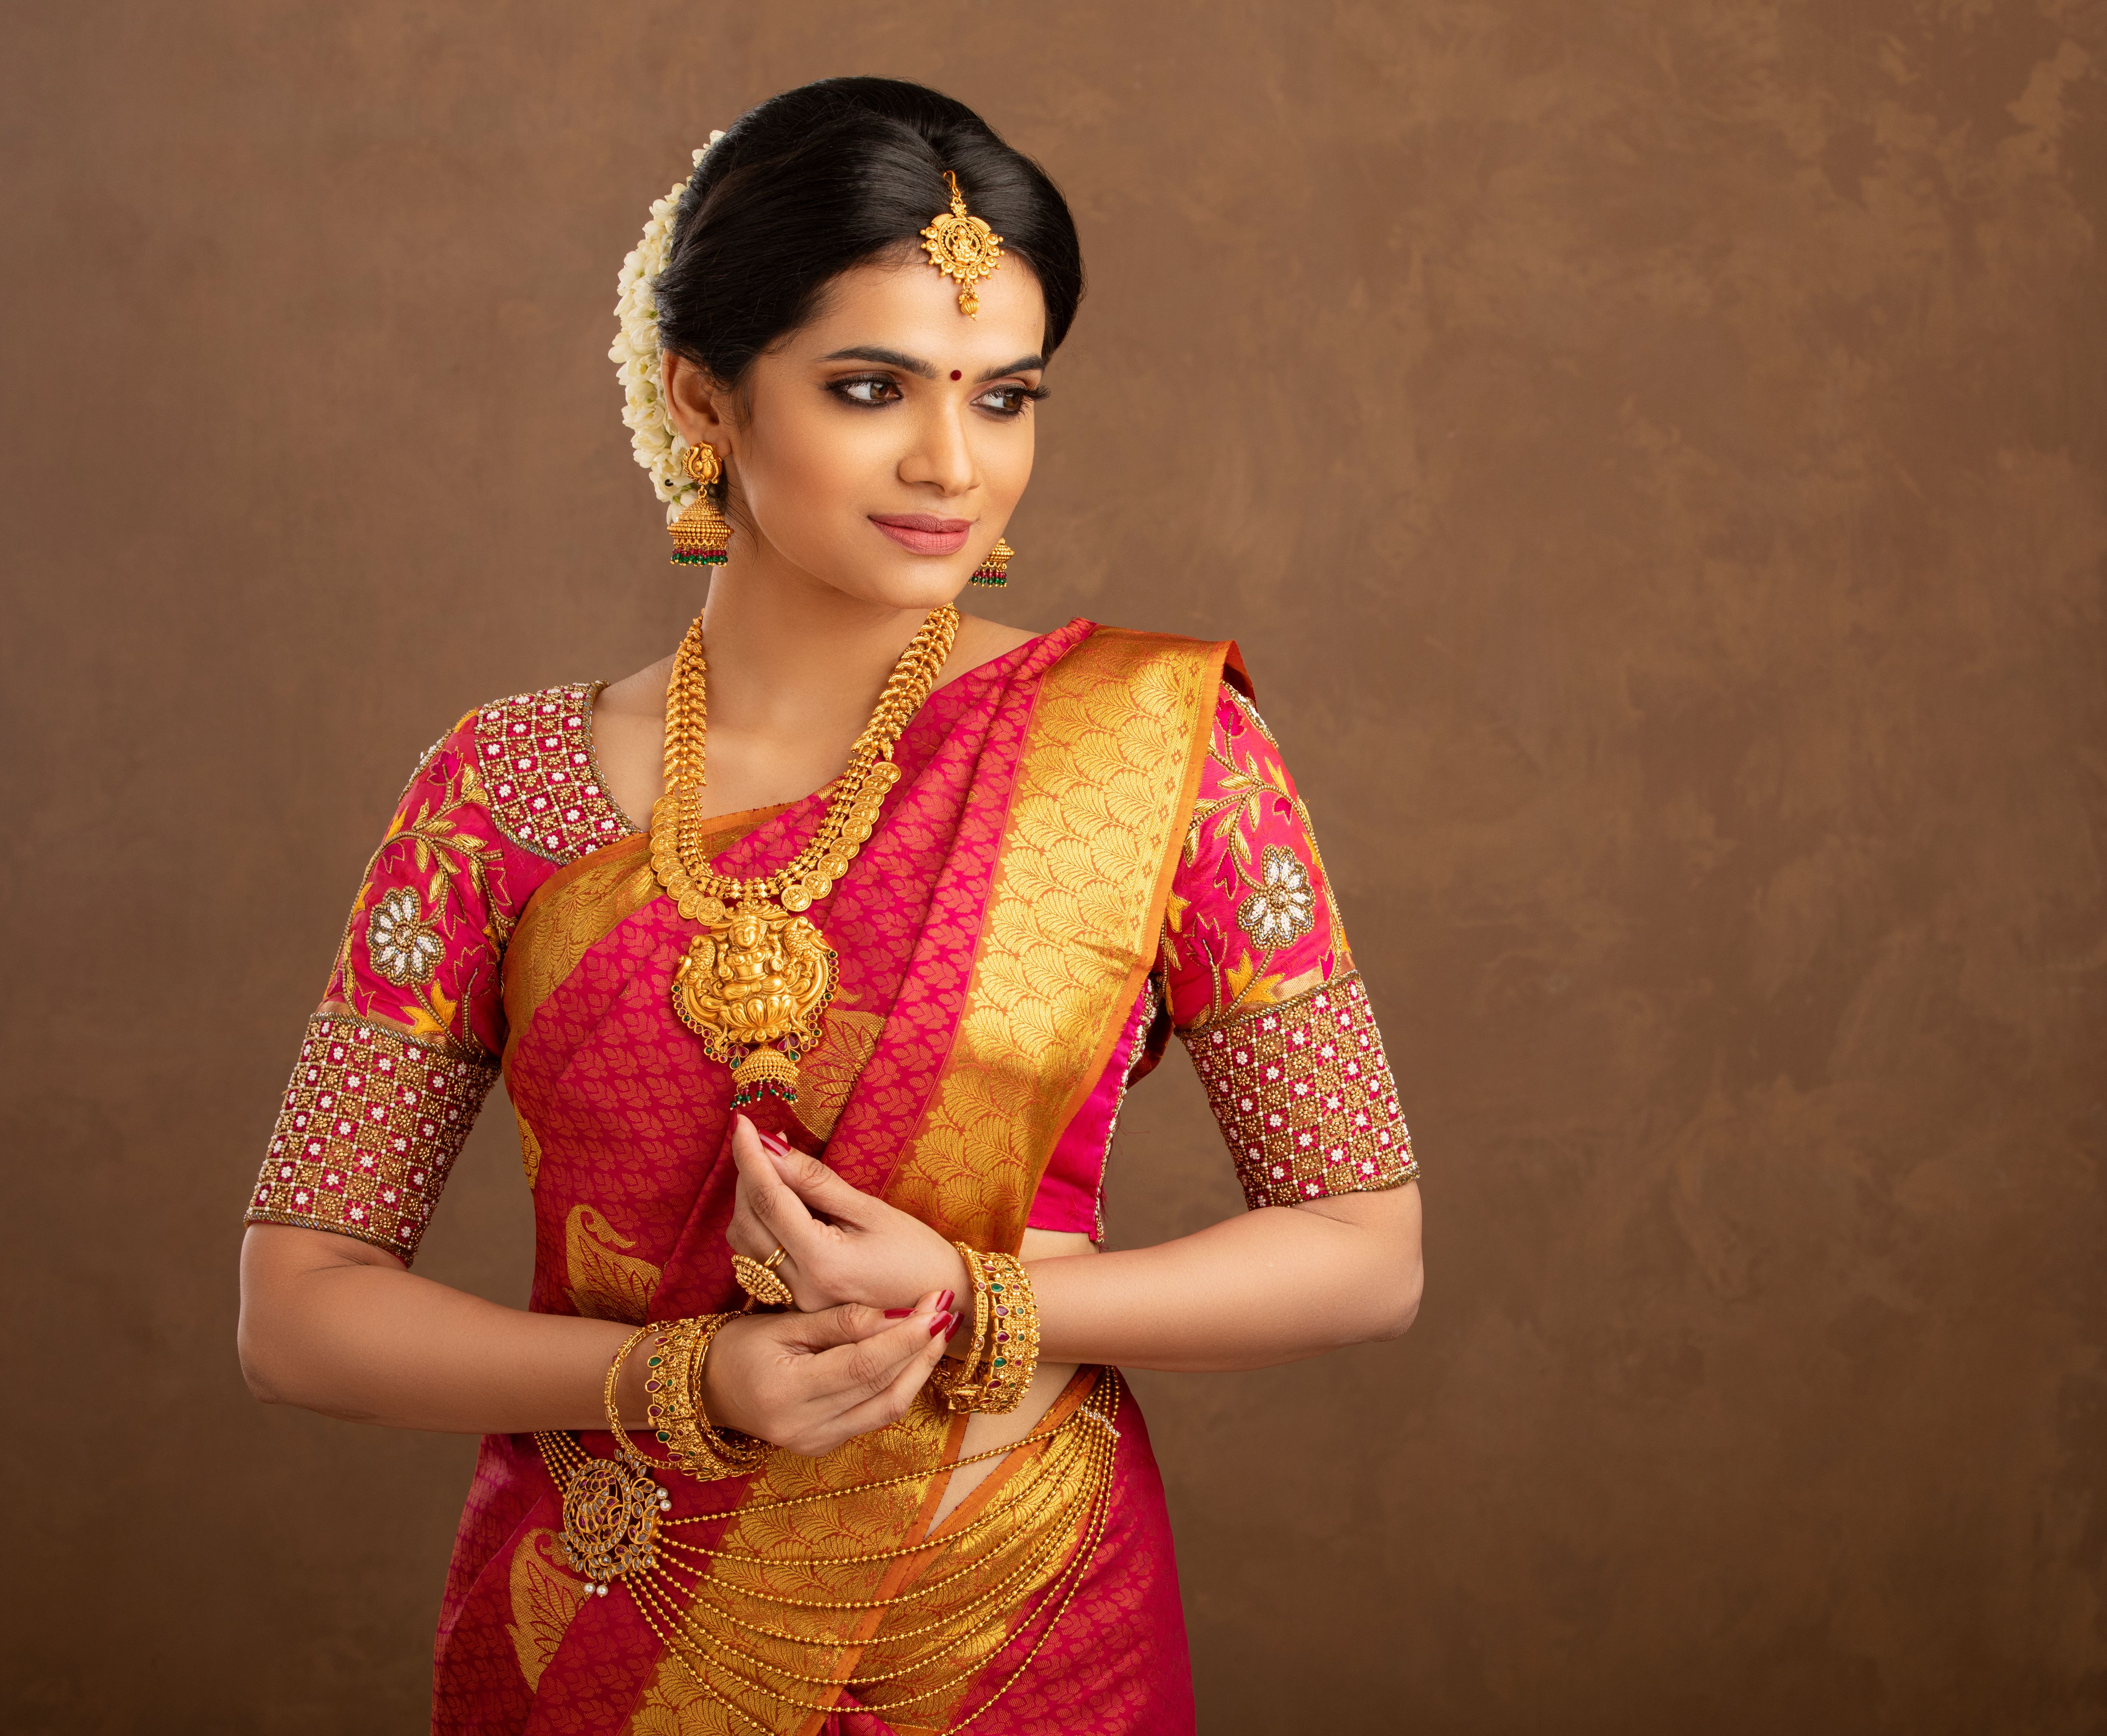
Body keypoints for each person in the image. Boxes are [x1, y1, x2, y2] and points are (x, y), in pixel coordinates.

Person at [236, 75, 1423, 1736]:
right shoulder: (495, 793)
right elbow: (298, 1313)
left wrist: (985, 1305)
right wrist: (672, 1380)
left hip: (1024, 1630)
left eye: (1003, 397)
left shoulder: (1165, 754)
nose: (952, 463)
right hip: (609, 1634)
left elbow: (1363, 1254)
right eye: (870, 389)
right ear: (703, 398)